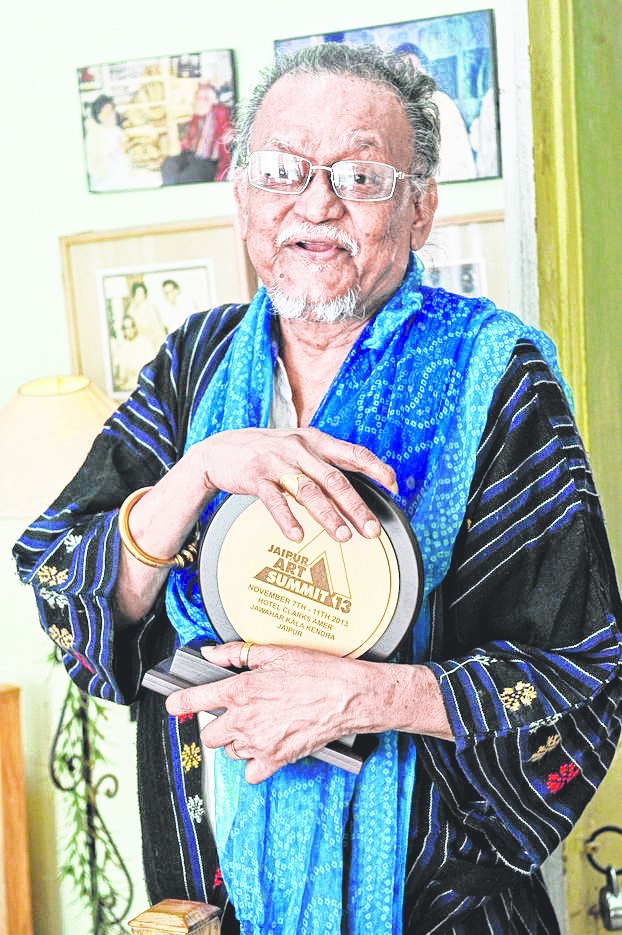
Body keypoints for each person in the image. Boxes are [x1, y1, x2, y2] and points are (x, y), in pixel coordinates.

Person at [14, 44, 621, 934]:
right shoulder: (195, 364)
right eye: (281, 170)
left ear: (420, 208)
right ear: (242, 195)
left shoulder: (496, 377)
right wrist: (201, 469)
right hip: (208, 894)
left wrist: (363, 695)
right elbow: (65, 577)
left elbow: (581, 670)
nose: (315, 203)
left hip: (437, 908)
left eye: (360, 176)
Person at [393, 42, 477, 182]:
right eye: (403, 69)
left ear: (424, 70)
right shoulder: (391, 110)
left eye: (415, 68)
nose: (410, 75)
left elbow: (459, 157)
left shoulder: (442, 103)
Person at [161, 82, 233, 185]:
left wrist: (231, 134)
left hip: (208, 161)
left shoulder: (221, 112)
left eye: (205, 98)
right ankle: (170, 187)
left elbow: (232, 126)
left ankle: (174, 189)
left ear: (213, 100)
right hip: (190, 155)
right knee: (168, 164)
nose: (201, 100)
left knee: (189, 176)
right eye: (198, 97)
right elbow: (189, 138)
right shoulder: (197, 116)